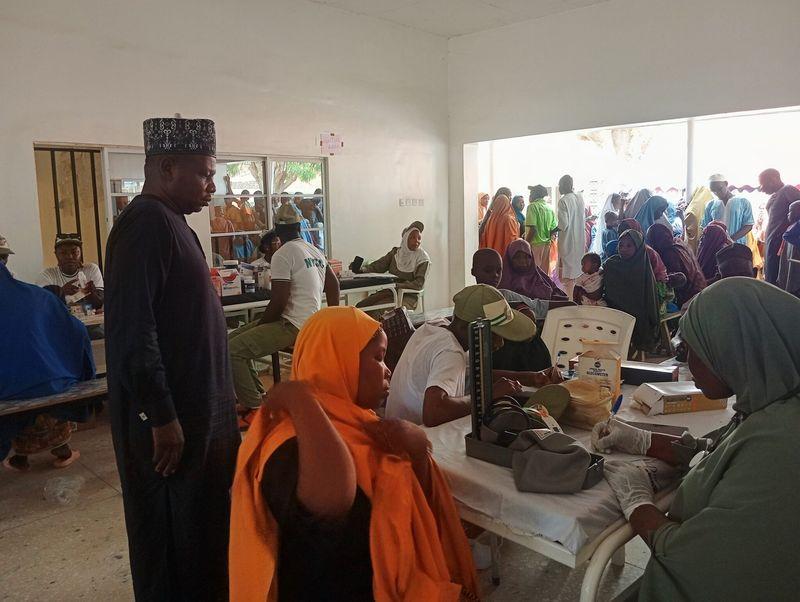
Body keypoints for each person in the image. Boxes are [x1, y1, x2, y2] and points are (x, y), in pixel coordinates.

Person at [228, 306, 480, 601]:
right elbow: (332, 501)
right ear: (338, 361)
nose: (387, 369)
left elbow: (413, 512)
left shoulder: (366, 427)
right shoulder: (290, 440)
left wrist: (417, 453)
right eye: (378, 357)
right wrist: (301, 400)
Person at [593, 278, 800, 602]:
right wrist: (643, 440)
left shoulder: (783, 446)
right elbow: (719, 455)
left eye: (692, 350)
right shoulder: (772, 401)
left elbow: (698, 560)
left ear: (731, 348)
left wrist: (638, 506)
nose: (687, 364)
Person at [104, 117, 240, 600]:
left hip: (196, 416)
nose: (213, 185)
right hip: (170, 429)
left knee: (201, 535)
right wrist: (160, 415)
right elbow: (131, 334)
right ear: (166, 167)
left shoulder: (173, 223)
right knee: (170, 539)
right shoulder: (144, 226)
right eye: (204, 173)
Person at [385, 285, 562, 427]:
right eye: (495, 334)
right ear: (468, 328)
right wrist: (489, 397)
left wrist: (531, 378)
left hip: (396, 429)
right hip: (414, 443)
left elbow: (475, 374)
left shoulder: (436, 327)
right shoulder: (451, 352)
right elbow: (434, 413)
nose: (500, 343)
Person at [228, 203, 340, 413]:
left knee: (232, 351)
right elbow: (334, 285)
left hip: (291, 325)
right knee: (231, 342)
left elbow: (279, 301)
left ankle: (253, 407)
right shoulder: (315, 251)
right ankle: (259, 395)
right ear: (300, 227)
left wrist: (260, 325)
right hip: (308, 323)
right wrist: (332, 318)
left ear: (277, 231)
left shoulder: (283, 254)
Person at [1, 262, 93, 471]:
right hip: (49, 384)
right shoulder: (35, 296)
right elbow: (77, 331)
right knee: (53, 377)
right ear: (6, 263)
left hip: (8, 391)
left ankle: (20, 457)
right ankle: (62, 450)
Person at [471, 249, 559, 372]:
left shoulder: (507, 297)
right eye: (488, 270)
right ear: (473, 272)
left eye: (499, 271)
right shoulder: (469, 301)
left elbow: (536, 307)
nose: (495, 275)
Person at [602, 230, 660, 353]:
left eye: (629, 245)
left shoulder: (642, 267)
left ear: (638, 247)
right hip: (614, 311)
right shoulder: (612, 264)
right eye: (621, 245)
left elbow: (648, 298)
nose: (624, 249)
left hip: (637, 314)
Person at [353, 221, 430, 313]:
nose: (417, 241)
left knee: (378, 312)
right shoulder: (395, 253)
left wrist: (397, 285)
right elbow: (379, 266)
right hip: (389, 292)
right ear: (405, 239)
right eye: (413, 237)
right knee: (360, 307)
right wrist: (362, 269)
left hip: (407, 295)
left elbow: (418, 284)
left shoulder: (422, 258)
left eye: (419, 238)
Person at [36, 234, 104, 310]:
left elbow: (99, 304)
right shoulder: (47, 275)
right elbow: (40, 305)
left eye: (74, 252)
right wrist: (61, 292)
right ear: (56, 255)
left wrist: (92, 294)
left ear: (80, 253)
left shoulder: (91, 269)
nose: (70, 256)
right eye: (63, 253)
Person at [646, 224, 707, 307]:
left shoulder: (669, 254)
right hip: (700, 291)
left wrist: (662, 280)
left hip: (689, 300)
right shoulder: (679, 243)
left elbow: (679, 280)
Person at [760, 168, 800, 285]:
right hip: (772, 244)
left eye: (763, 184)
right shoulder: (776, 195)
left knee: (778, 280)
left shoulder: (788, 190)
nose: (761, 189)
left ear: (773, 179)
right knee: (771, 278)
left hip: (780, 246)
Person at [500, 239, 568, 301]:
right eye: (517, 257)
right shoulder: (503, 281)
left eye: (527, 257)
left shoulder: (538, 275)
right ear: (510, 259)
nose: (523, 261)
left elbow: (558, 294)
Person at [556, 175, 586, 299]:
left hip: (567, 241)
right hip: (579, 239)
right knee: (576, 271)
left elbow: (563, 224)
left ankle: (569, 301)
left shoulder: (563, 201)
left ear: (565, 185)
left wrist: (551, 231)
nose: (559, 188)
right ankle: (575, 298)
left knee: (566, 274)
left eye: (560, 185)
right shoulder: (579, 198)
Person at [702, 174, 754, 244]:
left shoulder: (743, 202)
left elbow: (748, 225)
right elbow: (705, 226)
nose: (717, 192)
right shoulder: (710, 205)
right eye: (713, 190)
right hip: (716, 246)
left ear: (726, 184)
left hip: (737, 245)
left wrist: (730, 240)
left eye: (720, 189)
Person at [524, 184, 558, 273]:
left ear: (535, 194)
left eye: (531, 193)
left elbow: (533, 229)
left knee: (533, 273)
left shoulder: (532, 206)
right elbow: (554, 229)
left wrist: (525, 245)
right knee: (544, 272)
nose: (530, 195)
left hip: (534, 244)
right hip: (546, 244)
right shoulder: (549, 208)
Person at [479, 193, 519, 258]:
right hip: (504, 255)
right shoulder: (508, 219)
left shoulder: (490, 219)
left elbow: (484, 237)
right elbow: (512, 238)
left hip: (492, 254)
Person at [683, 186, 714, 255]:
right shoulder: (712, 205)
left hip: (692, 243)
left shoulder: (692, 209)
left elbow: (689, 230)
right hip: (705, 242)